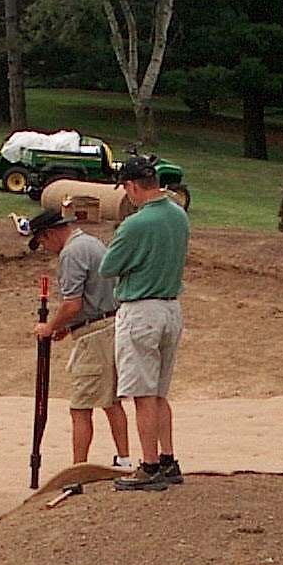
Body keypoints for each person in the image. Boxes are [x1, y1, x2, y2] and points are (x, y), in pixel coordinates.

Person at [98, 156, 190, 491]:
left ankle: (149, 465)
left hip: (141, 310)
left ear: (134, 186)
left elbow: (108, 266)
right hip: (170, 308)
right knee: (159, 392)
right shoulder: (178, 214)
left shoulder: (135, 224)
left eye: (126, 187)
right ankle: (167, 458)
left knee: (142, 394)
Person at [24, 208, 133, 470]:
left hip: (95, 334)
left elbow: (72, 304)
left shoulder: (71, 253)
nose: (47, 248)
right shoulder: (91, 243)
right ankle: (124, 458)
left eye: (43, 242)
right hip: (109, 324)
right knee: (110, 400)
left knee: (80, 407)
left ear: (49, 234)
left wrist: (50, 327)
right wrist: (67, 327)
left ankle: (78, 468)